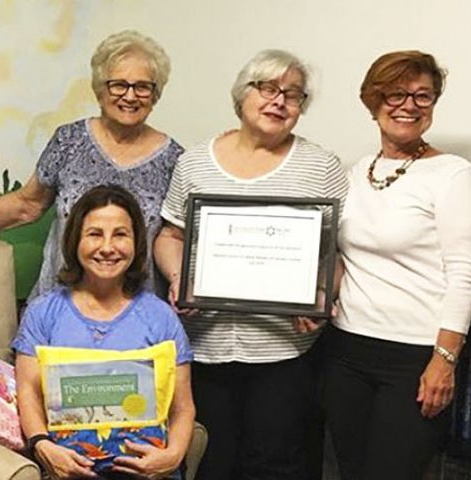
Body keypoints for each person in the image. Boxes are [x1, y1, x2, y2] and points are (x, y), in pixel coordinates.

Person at [153, 50, 348, 480]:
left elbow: (337, 254)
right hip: (205, 346)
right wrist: (179, 281)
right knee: (209, 461)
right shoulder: (195, 162)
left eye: (293, 95)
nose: (279, 101)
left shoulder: (322, 167)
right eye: (268, 88)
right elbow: (170, 237)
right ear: (242, 95)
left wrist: (321, 294)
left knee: (275, 465)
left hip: (284, 352)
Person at [324, 51, 471, 480]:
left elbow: (464, 273)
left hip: (414, 358)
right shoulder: (356, 172)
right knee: (350, 471)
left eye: (423, 96)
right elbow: (346, 257)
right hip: (347, 351)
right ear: (373, 101)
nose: (409, 106)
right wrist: (317, 302)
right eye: (396, 94)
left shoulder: (454, 175)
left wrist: (444, 359)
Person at [0, 30, 183, 299]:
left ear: (155, 95)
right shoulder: (69, 140)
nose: (130, 96)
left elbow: (176, 238)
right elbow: (27, 205)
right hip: (59, 307)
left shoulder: (175, 160)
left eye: (142, 86)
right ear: (100, 90)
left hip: (135, 314)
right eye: (119, 85)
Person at [13, 185, 196, 480]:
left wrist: (171, 457)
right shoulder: (43, 313)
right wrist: (43, 446)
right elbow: (28, 392)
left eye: (120, 234)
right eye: (95, 234)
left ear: (137, 244)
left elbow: (183, 408)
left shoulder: (160, 317)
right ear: (75, 241)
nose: (108, 247)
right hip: (67, 470)